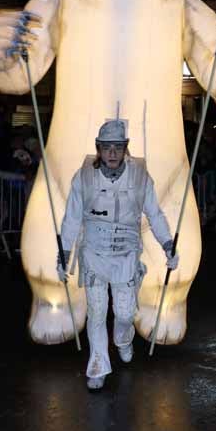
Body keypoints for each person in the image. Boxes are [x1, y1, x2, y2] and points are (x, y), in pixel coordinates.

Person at [58, 119, 178, 391]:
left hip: (125, 255)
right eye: (106, 147)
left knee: (124, 314)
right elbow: (72, 217)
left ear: (125, 148)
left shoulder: (140, 177)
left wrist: (167, 243)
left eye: (118, 147)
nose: (112, 153)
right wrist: (63, 253)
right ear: (98, 148)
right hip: (94, 254)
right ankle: (98, 366)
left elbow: (154, 213)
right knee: (97, 312)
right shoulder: (84, 177)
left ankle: (123, 339)